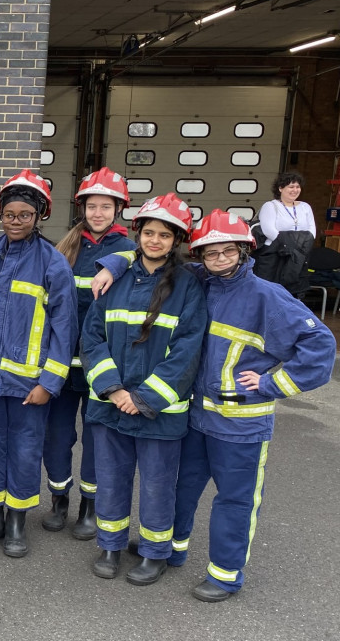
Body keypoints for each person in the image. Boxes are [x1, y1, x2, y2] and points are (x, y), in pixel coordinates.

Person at [98, 210, 335, 602]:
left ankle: (226, 576)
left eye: (229, 251)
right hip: (197, 416)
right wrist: (113, 261)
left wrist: (270, 383)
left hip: (241, 424)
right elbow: (153, 257)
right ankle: (170, 550)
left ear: (244, 252)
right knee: (182, 489)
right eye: (212, 252)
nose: (220, 259)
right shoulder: (198, 282)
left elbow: (320, 346)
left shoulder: (267, 296)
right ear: (201, 255)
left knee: (235, 501)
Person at [81, 192, 206, 586]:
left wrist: (144, 398)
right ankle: (110, 545)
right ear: (138, 234)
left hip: (159, 412)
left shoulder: (188, 285)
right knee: (111, 479)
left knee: (157, 486)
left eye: (165, 236)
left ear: (177, 241)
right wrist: (114, 390)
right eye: (149, 232)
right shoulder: (115, 277)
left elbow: (188, 349)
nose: (155, 241)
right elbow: (92, 337)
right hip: (110, 405)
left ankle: (155, 552)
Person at [0, 169, 78, 558]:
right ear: (0, 215)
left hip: (29, 385)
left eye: (25, 214)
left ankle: (17, 521)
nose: (16, 221)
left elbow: (64, 328)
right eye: (10, 214)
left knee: (25, 451)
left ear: (40, 215)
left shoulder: (53, 264)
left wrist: (51, 382)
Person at [41, 168, 135, 539]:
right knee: (58, 436)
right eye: (92, 206)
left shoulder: (129, 248)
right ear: (82, 208)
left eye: (105, 206)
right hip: (64, 363)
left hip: (102, 367)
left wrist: (117, 262)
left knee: (98, 440)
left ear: (119, 209)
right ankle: (59, 498)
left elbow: (143, 259)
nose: (98, 213)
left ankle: (89, 506)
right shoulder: (66, 247)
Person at [253, 171, 316, 297]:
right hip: (274, 254)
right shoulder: (270, 206)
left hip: (298, 255)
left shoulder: (305, 207)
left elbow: (312, 230)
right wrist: (290, 246)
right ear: (281, 188)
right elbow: (269, 230)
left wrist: (300, 248)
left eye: (297, 187)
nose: (295, 190)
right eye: (291, 187)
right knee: (268, 290)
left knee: (293, 291)